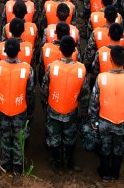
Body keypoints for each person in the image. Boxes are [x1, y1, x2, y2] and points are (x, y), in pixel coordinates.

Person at [89, 45, 124, 181]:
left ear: (110, 60)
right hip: (123, 121)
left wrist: (94, 121)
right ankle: (115, 173)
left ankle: (105, 173)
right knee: (119, 148)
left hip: (104, 120)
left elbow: (94, 103)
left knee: (105, 146)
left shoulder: (101, 78)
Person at [41, 35, 88, 173]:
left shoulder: (51, 67)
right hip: (71, 109)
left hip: (53, 108)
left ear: (60, 50)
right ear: (74, 51)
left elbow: (44, 89)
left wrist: (45, 104)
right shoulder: (81, 69)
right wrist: (84, 109)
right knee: (70, 137)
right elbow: (84, 92)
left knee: (53, 137)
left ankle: (56, 164)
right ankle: (69, 164)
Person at [0, 38, 34, 176]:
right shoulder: (27, 69)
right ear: (19, 51)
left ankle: (5, 164)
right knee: (19, 138)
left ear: (5, 51)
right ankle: (17, 167)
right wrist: (29, 111)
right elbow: (30, 93)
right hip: (20, 110)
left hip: (3, 108)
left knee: (5, 137)